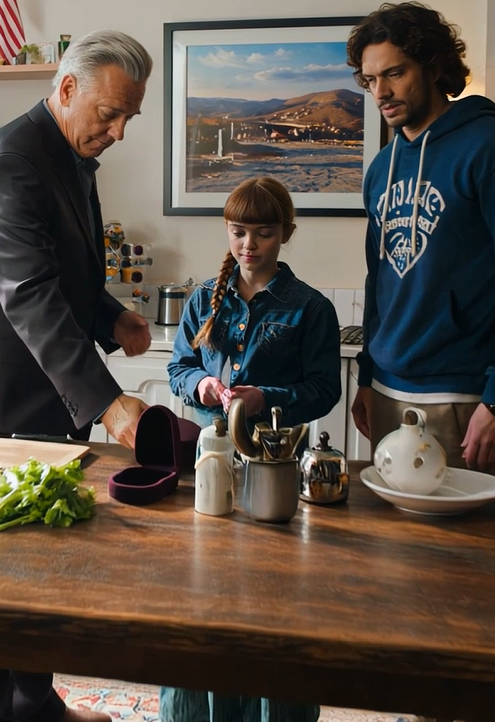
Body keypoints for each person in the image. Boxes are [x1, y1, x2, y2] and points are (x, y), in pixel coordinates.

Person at [0, 29, 154, 722]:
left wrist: (111, 316)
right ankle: (4, 710)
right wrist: (111, 404)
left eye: (129, 119)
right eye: (108, 114)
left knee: (37, 570)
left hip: (40, 393)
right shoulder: (10, 164)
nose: (117, 132)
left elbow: (65, 273)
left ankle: (34, 706)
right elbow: (26, 296)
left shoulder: (68, 153)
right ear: (65, 90)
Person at [162, 177, 341, 722]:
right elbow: (177, 369)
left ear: (285, 232)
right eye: (240, 232)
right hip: (207, 467)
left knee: (277, 606)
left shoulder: (311, 308)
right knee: (200, 602)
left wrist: (266, 397)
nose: (249, 245)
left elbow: (324, 390)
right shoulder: (202, 300)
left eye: (263, 233)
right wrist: (201, 387)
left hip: (276, 469)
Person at [346, 2, 495, 473]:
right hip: (388, 394)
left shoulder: (484, 146)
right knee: (385, 545)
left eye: (394, 73)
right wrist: (367, 379)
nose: (381, 92)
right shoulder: (379, 171)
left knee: (464, 547)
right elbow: (379, 282)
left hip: (464, 397)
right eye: (370, 81)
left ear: (432, 65)